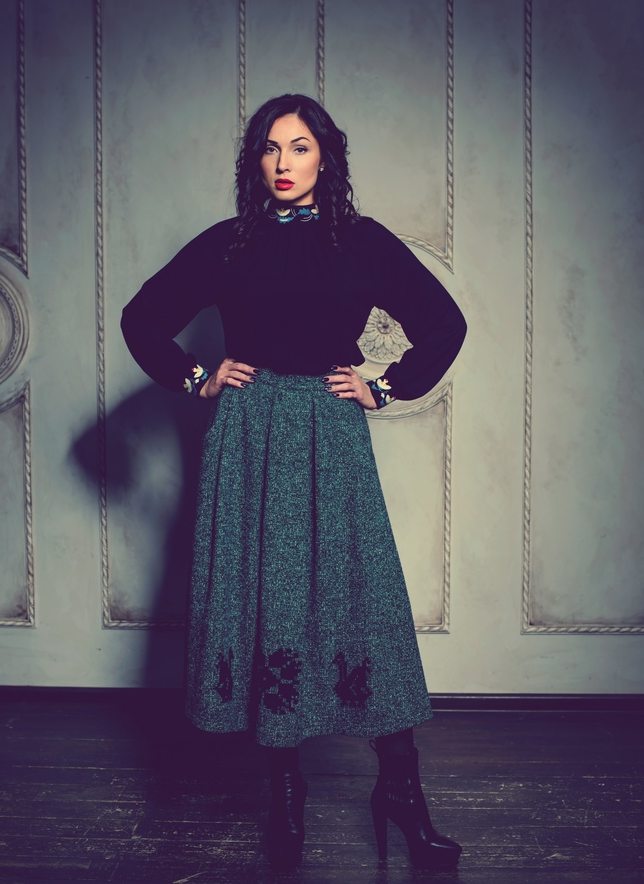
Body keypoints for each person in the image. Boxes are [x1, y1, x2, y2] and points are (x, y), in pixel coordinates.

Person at [121, 93, 466, 871]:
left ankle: (401, 790)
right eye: (270, 148)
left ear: (325, 157)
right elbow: (142, 318)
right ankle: (284, 793)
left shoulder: (362, 242)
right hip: (249, 432)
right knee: (268, 600)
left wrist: (386, 385)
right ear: (255, 160)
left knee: (366, 599)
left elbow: (445, 324)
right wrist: (198, 376)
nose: (283, 163)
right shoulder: (230, 244)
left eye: (300, 147)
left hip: (331, 428)